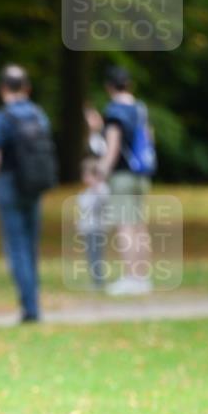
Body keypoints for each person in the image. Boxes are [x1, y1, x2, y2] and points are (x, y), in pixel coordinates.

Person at [0, 65, 54, 322]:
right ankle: (34, 302)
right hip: (34, 185)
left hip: (10, 185)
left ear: (3, 88)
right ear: (27, 88)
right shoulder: (39, 115)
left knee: (17, 247)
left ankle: (29, 309)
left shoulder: (3, 117)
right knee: (31, 245)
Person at [99, 65, 155, 295]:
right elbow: (149, 138)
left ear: (109, 87)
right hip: (142, 174)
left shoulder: (114, 112)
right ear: (129, 84)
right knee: (140, 226)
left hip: (122, 175)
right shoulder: (140, 108)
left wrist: (101, 170)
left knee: (125, 226)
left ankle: (131, 277)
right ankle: (143, 277)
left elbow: (112, 148)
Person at [76, 158, 110, 289]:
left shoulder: (102, 190)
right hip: (88, 228)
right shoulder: (87, 192)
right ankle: (95, 279)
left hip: (97, 228)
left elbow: (103, 205)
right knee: (91, 255)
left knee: (96, 255)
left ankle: (99, 281)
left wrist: (97, 189)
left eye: (87, 175)